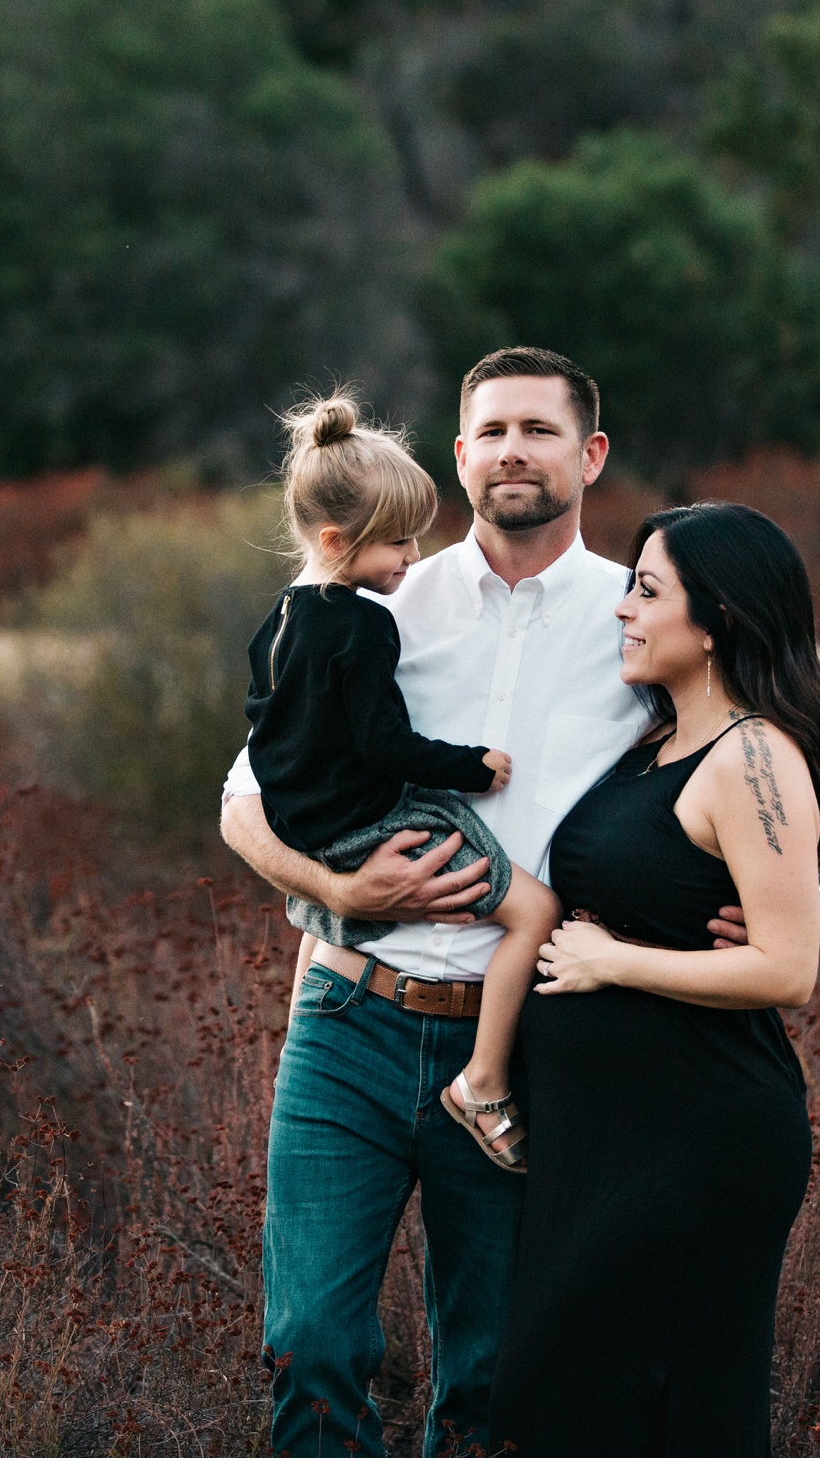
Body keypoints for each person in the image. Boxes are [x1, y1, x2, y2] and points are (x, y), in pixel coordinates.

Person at [219, 348, 820, 1456]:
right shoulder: (377, 593)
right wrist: (333, 883)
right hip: (349, 1017)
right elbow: (243, 798)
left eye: (541, 429)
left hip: (534, 1049)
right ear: (459, 458)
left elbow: (764, 759)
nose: (514, 450)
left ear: (590, 454)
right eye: (492, 430)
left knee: (491, 1372)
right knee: (310, 1341)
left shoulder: (644, 615)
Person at [488, 501, 820, 1457]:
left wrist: (613, 961)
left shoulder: (754, 754)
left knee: (659, 1410)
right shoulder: (650, 744)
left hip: (697, 1140)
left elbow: (787, 969)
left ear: (718, 617)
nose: (624, 610)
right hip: (601, 1140)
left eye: (647, 591)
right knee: (560, 1398)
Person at [243, 387, 561, 1175]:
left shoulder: (279, 618)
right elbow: (386, 744)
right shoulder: (366, 622)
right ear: (334, 537)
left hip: (308, 824)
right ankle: (484, 1083)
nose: (411, 561)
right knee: (534, 909)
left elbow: (265, 721)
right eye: (397, 545)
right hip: (368, 824)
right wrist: (471, 767)